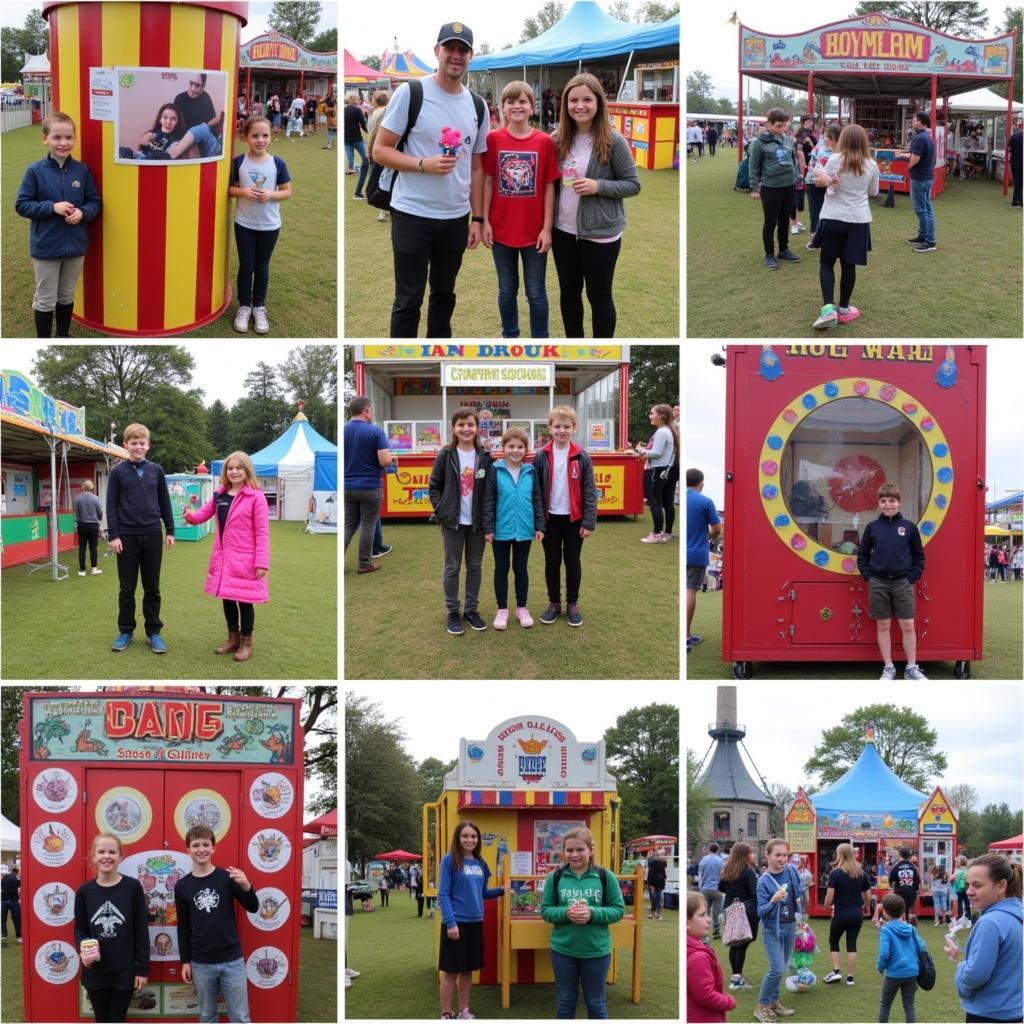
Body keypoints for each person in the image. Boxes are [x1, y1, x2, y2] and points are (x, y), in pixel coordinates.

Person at [373, 22, 489, 338]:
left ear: (471, 56)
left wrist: (478, 218)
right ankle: (402, 361)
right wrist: (423, 164)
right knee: (408, 300)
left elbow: (477, 168)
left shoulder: (478, 105)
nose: (456, 56)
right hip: (412, 213)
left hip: (455, 218)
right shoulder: (412, 93)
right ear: (436, 51)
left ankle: (438, 361)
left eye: (462, 50)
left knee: (444, 296)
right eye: (449, 48)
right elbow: (380, 150)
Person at [550, 72, 641, 338]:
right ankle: (573, 345)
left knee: (599, 296)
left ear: (598, 103)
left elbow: (633, 184)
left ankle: (602, 347)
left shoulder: (614, 141)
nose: (580, 106)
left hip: (600, 234)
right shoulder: (556, 140)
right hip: (563, 231)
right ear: (565, 104)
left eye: (587, 99)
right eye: (573, 100)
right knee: (569, 293)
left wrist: (597, 186)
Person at [481, 80, 560, 339]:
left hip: (534, 231)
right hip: (501, 230)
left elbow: (549, 186)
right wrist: (485, 221)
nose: (517, 106)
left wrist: (547, 228)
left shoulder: (544, 141)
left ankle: (541, 340)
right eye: (511, 102)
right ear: (502, 107)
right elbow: (489, 181)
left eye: (522, 101)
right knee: (506, 290)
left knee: (536, 291)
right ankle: (510, 336)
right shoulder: (493, 139)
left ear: (532, 107)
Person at [15, 111, 101, 337]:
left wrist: (82, 213)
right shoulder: (35, 171)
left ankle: (63, 335)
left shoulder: (82, 170)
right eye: (57, 137)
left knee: (66, 295)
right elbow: (22, 205)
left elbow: (94, 202)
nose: (63, 143)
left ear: (74, 138)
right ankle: (43, 340)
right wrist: (51, 207)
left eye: (69, 137)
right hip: (46, 247)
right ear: (45, 139)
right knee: (45, 298)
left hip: (75, 246)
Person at [181, 451, 269, 662]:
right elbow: (203, 514)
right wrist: (189, 517)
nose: (234, 471)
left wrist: (262, 562)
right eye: (230, 468)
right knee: (227, 599)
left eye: (239, 468)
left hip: (246, 559)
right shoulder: (219, 495)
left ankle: (246, 642)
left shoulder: (256, 497)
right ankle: (233, 638)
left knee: (245, 602)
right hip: (224, 558)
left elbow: (262, 532)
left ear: (246, 470)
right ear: (225, 472)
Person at [173, 825, 258, 1024]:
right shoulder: (182, 886)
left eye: (205, 844)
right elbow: (183, 926)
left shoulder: (226, 878)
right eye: (195, 845)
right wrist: (185, 961)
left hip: (232, 960)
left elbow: (253, 907)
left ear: (213, 848)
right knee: (207, 1016)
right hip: (201, 962)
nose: (201, 849)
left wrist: (246, 885)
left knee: (240, 1016)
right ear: (188, 850)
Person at [540, 825, 624, 1019]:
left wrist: (592, 913)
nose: (574, 854)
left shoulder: (605, 876)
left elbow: (618, 910)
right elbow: (546, 910)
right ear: (563, 851)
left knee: (596, 1002)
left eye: (580, 849)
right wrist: (566, 913)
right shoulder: (555, 877)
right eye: (569, 850)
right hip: (563, 950)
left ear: (591, 850)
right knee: (566, 1001)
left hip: (596, 951)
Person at [106, 423, 175, 654]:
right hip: (126, 537)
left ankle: (154, 632)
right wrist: (113, 535)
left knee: (152, 588)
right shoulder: (117, 472)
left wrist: (171, 530)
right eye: (133, 443)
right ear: (125, 445)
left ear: (148, 445)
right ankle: (125, 630)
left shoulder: (157, 470)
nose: (138, 446)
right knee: (127, 588)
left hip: (152, 534)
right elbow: (111, 505)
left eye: (142, 442)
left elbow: (165, 502)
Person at [428, 407, 494, 635]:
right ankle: (453, 612)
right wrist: (441, 509)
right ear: (454, 428)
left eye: (470, 424)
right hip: (452, 522)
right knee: (452, 567)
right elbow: (434, 486)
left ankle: (472, 610)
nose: (466, 429)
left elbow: (490, 493)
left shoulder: (485, 456)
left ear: (477, 428)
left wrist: (488, 522)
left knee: (475, 567)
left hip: (476, 524)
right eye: (461, 425)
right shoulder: (445, 455)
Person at [532, 405, 597, 628]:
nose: (562, 430)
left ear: (574, 428)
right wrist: (539, 523)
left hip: (574, 520)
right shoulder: (541, 455)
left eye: (566, 426)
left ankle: (572, 604)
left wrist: (588, 522)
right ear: (550, 428)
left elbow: (589, 490)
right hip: (550, 520)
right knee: (552, 562)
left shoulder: (581, 455)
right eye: (557, 426)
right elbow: (536, 492)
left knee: (572, 561)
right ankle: (553, 603)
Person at [810, 123, 880, 329]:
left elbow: (821, 181)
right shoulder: (872, 165)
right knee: (848, 265)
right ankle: (843, 309)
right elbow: (874, 192)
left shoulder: (834, 160)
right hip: (857, 220)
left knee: (826, 262)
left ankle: (828, 309)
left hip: (833, 217)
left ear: (843, 140)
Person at [228, 115, 292, 334]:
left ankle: (259, 307)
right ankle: (244, 306)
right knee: (247, 266)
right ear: (245, 137)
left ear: (271, 137)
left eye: (265, 135)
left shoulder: (278, 163)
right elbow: (230, 189)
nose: (260, 140)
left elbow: (287, 191)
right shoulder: (238, 162)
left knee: (262, 267)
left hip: (270, 225)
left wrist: (271, 194)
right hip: (244, 223)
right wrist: (243, 192)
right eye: (255, 136)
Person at [74, 834, 148, 1023]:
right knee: (101, 1018)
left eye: (112, 852)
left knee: (116, 1018)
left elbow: (141, 931)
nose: (106, 856)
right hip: (95, 970)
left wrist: (142, 970)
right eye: (101, 851)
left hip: (124, 969)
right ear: (93, 856)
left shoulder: (132, 887)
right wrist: (84, 949)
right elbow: (80, 929)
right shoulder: (84, 892)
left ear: (120, 857)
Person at [857, 484, 927, 680]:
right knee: (883, 625)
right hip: (878, 583)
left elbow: (919, 557)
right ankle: (888, 667)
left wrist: (910, 578)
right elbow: (862, 556)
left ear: (899, 503)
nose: (888, 505)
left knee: (908, 625)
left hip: (902, 584)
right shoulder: (872, 528)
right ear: (879, 504)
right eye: (884, 501)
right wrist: (869, 577)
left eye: (892, 501)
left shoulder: (909, 527)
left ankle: (911, 668)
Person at [437, 821, 505, 1020]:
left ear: (478, 839)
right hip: (455, 924)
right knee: (451, 973)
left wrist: (502, 891)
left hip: (476, 923)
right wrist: (450, 923)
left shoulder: (480, 863)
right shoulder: (450, 860)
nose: (470, 840)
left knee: (467, 972)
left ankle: (463, 1011)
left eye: (473, 836)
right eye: (465, 836)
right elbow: (443, 894)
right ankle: (446, 1014)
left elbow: (483, 892)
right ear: (458, 838)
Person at [946, 853, 1023, 1024]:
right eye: (968, 885)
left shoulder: (991, 922)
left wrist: (961, 967)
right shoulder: (1016, 916)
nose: (969, 892)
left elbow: (975, 975)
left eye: (977, 885)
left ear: (1001, 885)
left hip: (988, 1015)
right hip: (1014, 1012)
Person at [482, 425, 544, 630]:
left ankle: (521, 607)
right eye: (511, 446)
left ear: (526, 449)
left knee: (521, 569)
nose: (515, 450)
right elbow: (489, 499)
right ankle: (502, 609)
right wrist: (488, 528)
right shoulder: (495, 469)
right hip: (500, 530)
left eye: (520, 446)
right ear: (504, 448)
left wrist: (539, 526)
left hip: (525, 529)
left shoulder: (530, 470)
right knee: (501, 569)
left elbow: (537, 499)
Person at [755, 838, 803, 1023]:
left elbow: (797, 893)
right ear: (767, 855)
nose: (783, 859)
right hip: (772, 929)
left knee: (782, 968)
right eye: (778, 855)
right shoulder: (763, 882)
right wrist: (774, 900)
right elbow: (761, 911)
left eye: (785, 855)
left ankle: (774, 1002)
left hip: (790, 925)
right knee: (776, 969)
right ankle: (762, 1006)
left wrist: (800, 917)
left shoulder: (791, 870)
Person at [749, 108, 802, 271]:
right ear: (769, 124)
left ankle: (784, 250)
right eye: (779, 126)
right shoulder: (758, 142)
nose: (783, 129)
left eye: (785, 126)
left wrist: (797, 176)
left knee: (785, 220)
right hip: (771, 188)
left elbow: (793, 160)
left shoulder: (788, 139)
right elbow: (753, 165)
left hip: (789, 185)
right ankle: (769, 254)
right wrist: (755, 187)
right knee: (771, 222)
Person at [343, 396, 391, 575]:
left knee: (349, 525)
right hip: (370, 485)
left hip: (348, 486)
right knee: (368, 525)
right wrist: (391, 459)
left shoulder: (343, 431)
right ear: (367, 411)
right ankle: (364, 563)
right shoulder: (375, 432)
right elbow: (385, 460)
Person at [822, 842, 872, 986]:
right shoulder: (861, 872)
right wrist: (867, 907)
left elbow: (829, 895)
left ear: (839, 855)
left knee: (834, 941)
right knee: (851, 944)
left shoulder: (835, 873)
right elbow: (868, 894)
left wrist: (826, 906)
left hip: (841, 913)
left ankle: (836, 971)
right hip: (857, 913)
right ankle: (850, 978)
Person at [686, 468, 721, 651]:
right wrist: (709, 536)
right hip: (697, 553)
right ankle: (686, 636)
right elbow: (716, 528)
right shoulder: (705, 501)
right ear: (701, 483)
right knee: (690, 591)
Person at [687, 892, 737, 1023]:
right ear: (687, 923)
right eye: (703, 915)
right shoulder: (697, 957)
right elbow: (705, 995)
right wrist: (729, 1002)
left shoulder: (693, 948)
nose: (709, 919)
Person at [876, 893, 926, 1023]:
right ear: (903, 911)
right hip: (912, 972)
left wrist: (881, 967)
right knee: (909, 1007)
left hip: (894, 973)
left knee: (885, 1006)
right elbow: (921, 946)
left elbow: (884, 954)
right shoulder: (910, 928)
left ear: (885, 913)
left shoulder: (886, 930)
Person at [718, 841, 759, 992]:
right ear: (745, 855)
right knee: (743, 943)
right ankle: (736, 977)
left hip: (730, 909)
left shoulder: (728, 870)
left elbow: (721, 888)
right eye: (751, 852)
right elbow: (754, 893)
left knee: (735, 943)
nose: (753, 855)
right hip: (747, 910)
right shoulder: (749, 872)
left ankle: (737, 974)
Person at [640, 404, 677, 543]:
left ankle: (657, 533)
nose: (650, 416)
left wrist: (640, 452)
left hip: (655, 469)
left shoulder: (662, 432)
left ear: (661, 417)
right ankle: (664, 532)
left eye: (652, 413)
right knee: (664, 502)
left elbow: (656, 453)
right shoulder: (667, 431)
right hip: (662, 469)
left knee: (655, 502)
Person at [804, 122, 841, 242]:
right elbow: (811, 167)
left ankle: (829, 236)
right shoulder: (818, 148)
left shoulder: (842, 154)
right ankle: (815, 238)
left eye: (825, 136)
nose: (823, 138)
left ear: (834, 138)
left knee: (831, 211)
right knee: (815, 211)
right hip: (814, 183)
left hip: (834, 185)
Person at [907, 111, 937, 253]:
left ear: (920, 122)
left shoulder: (920, 138)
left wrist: (908, 165)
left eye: (914, 120)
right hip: (926, 177)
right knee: (926, 209)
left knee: (922, 210)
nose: (912, 122)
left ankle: (930, 241)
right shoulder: (926, 137)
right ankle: (923, 236)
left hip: (920, 178)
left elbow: (916, 158)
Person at [118, 102, 186, 160]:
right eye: (165, 117)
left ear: (178, 122)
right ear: (160, 119)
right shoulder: (152, 134)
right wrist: (147, 139)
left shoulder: (179, 140)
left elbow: (169, 156)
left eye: (173, 119)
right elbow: (142, 147)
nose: (168, 122)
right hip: (141, 162)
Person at [876, 847, 922, 927]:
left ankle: (894, 923)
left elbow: (891, 880)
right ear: (909, 856)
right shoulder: (913, 868)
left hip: (899, 894)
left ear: (900, 855)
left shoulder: (897, 867)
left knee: (897, 909)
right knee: (906, 909)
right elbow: (917, 883)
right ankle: (907, 922)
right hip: (911, 895)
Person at [366, 91, 391, 223]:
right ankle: (384, 209)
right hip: (388, 150)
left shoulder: (377, 112)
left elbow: (372, 132)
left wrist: (369, 151)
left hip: (381, 149)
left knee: (381, 178)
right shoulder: (385, 111)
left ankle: (382, 211)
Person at [75, 480, 104, 576]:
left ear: (84, 488)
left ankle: (82, 570)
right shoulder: (95, 498)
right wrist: (100, 517)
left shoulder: (78, 498)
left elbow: (77, 513)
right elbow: (99, 512)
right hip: (93, 526)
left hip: (82, 525)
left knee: (82, 547)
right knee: (93, 548)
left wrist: (79, 522)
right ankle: (94, 568)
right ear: (92, 488)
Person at [697, 843, 726, 941]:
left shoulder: (704, 860)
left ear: (709, 849)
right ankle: (716, 931)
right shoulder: (721, 861)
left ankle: (703, 933)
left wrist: (701, 886)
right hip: (716, 888)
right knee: (716, 912)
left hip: (705, 888)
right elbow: (723, 875)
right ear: (717, 850)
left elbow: (701, 874)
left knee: (705, 911)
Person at [344, 93, 369, 197]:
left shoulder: (344, 110)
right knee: (365, 158)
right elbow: (362, 123)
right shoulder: (357, 110)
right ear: (355, 100)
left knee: (350, 156)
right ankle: (363, 170)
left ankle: (350, 169)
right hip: (356, 137)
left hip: (346, 137)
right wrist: (367, 131)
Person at [1, 865, 21, 946]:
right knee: (16, 919)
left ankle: (4, 937)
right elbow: (19, 884)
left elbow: (19, 884)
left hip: (6, 901)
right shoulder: (13, 878)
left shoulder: (9, 878)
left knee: (3, 919)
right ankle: (18, 937)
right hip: (11, 901)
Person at [647, 849, 668, 922]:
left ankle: (654, 913)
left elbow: (650, 863)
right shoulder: (663, 862)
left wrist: (650, 856)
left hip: (654, 881)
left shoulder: (653, 862)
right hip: (660, 880)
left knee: (655, 897)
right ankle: (657, 914)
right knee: (658, 897)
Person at [952, 855, 971, 923]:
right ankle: (968, 916)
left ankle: (960, 916)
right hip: (966, 888)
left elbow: (953, 879)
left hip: (958, 889)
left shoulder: (957, 870)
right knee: (967, 902)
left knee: (959, 903)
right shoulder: (967, 870)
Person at [1009, 119, 1023, 207]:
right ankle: (1018, 200)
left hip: (1014, 163)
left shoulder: (1013, 137)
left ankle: (1017, 200)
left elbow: (1008, 148)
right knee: (1020, 183)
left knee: (1017, 182)